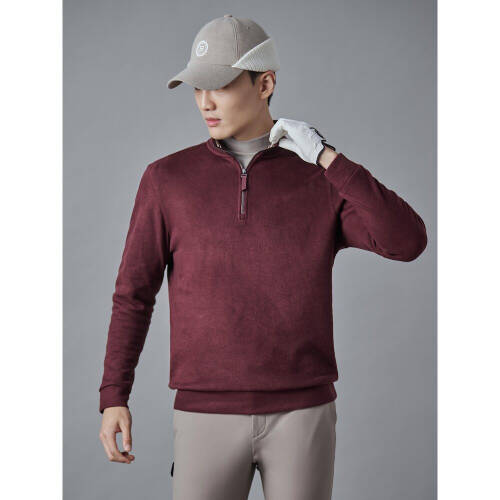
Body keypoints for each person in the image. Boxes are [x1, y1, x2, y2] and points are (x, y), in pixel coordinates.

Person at [98, 14, 427, 500]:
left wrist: (328, 158)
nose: (205, 102)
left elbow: (407, 241)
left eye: (220, 86)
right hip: (204, 414)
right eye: (197, 88)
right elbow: (133, 294)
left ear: (265, 83)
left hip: (302, 413)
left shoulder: (319, 179)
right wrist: (114, 395)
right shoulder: (166, 179)